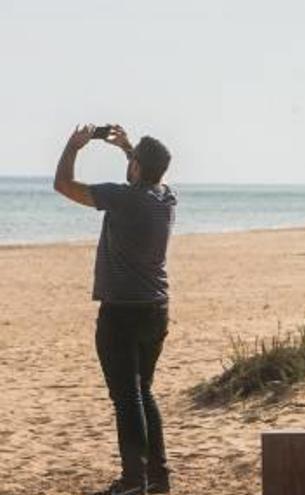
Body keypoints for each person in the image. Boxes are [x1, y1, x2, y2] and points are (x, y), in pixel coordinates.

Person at [54, 124, 177, 495]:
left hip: (121, 312)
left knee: (127, 397)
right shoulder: (166, 198)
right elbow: (148, 175)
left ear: (137, 167)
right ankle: (158, 477)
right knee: (143, 391)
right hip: (156, 309)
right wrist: (128, 149)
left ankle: (133, 480)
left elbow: (63, 184)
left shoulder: (122, 198)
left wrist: (72, 146)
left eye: (134, 160)